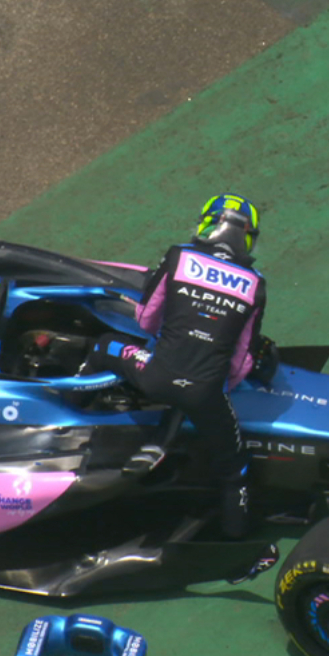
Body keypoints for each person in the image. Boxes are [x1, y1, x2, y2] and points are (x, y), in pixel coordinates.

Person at [90, 194, 269, 538]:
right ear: (247, 236)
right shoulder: (256, 284)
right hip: (206, 396)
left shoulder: (178, 257)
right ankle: (236, 538)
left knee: (103, 345)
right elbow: (240, 362)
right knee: (234, 470)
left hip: (154, 374)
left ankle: (76, 415)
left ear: (208, 224)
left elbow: (144, 320)